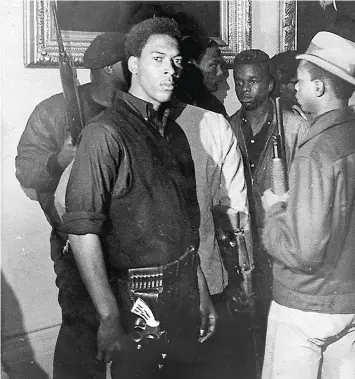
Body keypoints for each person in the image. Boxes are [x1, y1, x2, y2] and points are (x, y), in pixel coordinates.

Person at [62, 17, 216, 378]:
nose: (170, 71)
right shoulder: (105, 133)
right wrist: (109, 315)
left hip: (185, 291)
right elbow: (82, 230)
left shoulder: (174, 132)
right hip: (137, 300)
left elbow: (186, 224)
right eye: (158, 59)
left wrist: (202, 291)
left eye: (176, 61)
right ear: (133, 65)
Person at [260, 32, 355, 379]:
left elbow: (304, 252)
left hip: (306, 306)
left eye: (300, 81)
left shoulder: (315, 153)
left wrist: (275, 210)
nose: (296, 89)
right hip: (354, 304)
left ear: (319, 87)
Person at [15, 32, 128, 379]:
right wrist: (59, 160)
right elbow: (25, 167)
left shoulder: (134, 109)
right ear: (110, 68)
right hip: (77, 243)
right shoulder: (54, 110)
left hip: (128, 244)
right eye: (130, 61)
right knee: (82, 335)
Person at [229, 49, 308, 321]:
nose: (244, 89)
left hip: (282, 236)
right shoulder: (227, 128)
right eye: (239, 82)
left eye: (252, 81)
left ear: (270, 84)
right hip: (245, 240)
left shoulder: (295, 127)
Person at [175, 36, 229, 118]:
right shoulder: (175, 106)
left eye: (221, 65)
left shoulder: (214, 106)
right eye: (213, 65)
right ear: (192, 65)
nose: (220, 72)